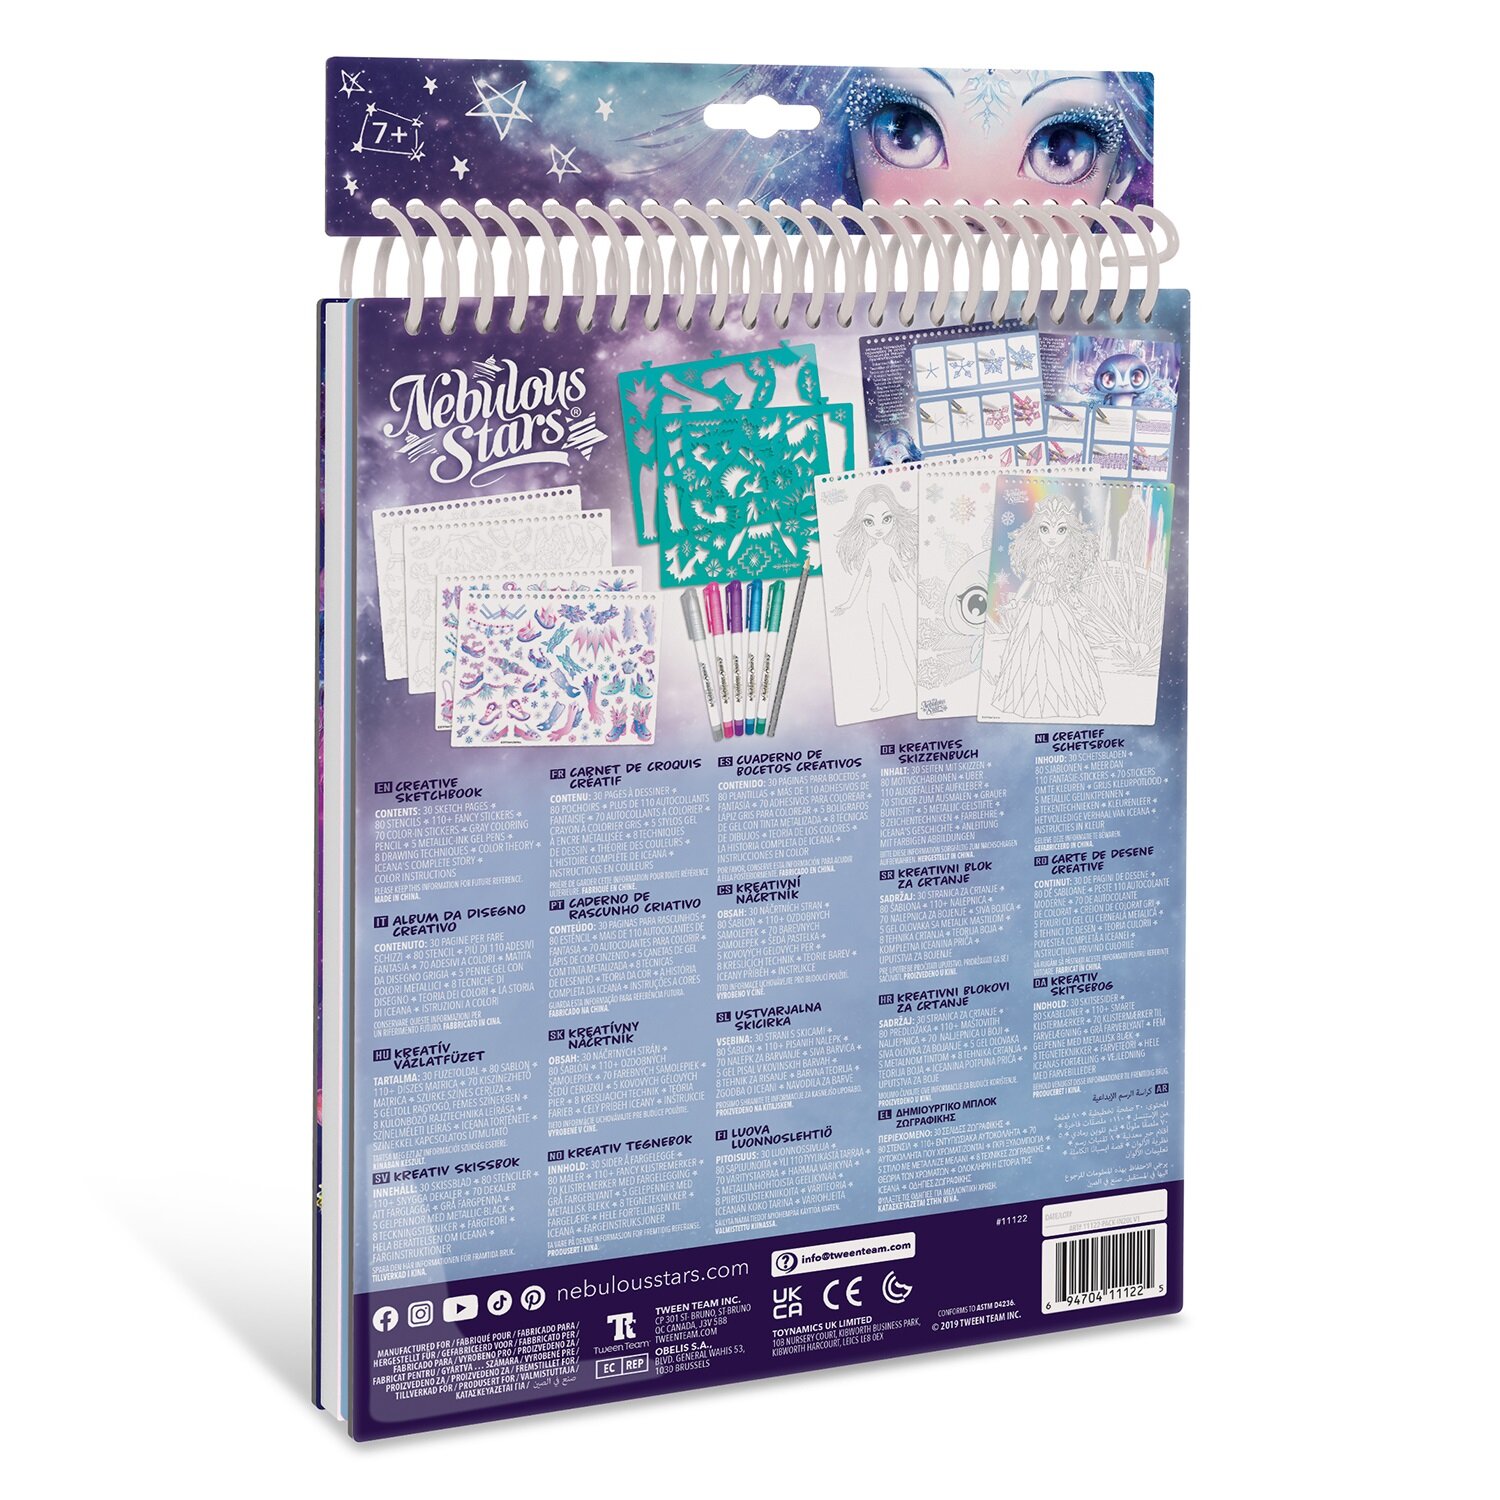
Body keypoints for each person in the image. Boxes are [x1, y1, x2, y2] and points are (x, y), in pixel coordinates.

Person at [831, 483, 919, 711]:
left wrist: (919, 593)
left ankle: (918, 684)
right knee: (878, 643)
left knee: (902, 636)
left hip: (889, 593)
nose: (879, 528)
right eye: (869, 522)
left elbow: (904, 574)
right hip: (873, 596)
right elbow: (860, 580)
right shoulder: (870, 553)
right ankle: (884, 692)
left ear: (894, 518)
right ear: (861, 523)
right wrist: (847, 604)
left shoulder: (889, 550)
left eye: (886, 519)